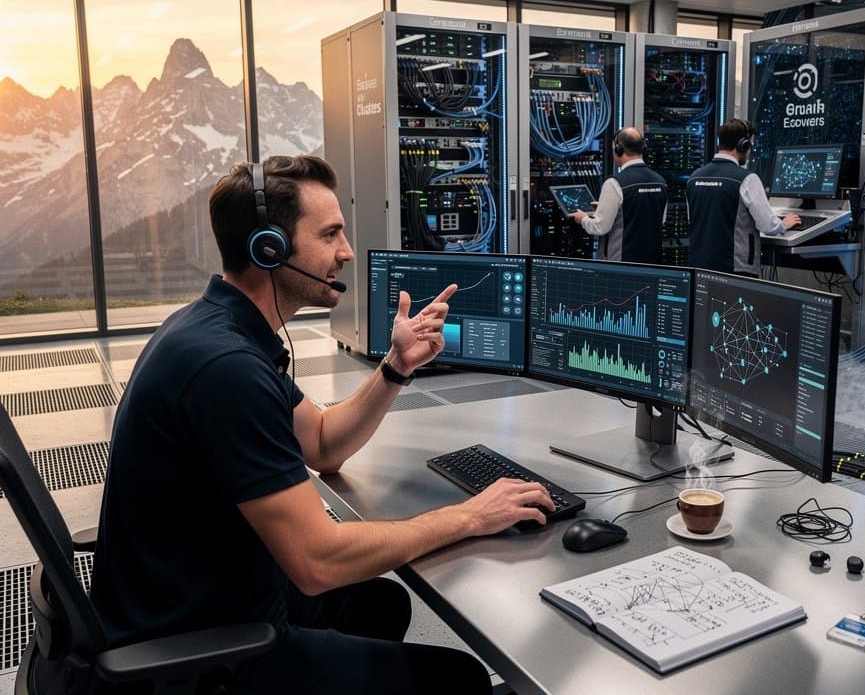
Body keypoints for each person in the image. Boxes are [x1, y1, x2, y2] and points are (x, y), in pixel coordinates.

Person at [90, 155, 554, 695]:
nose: (347, 251)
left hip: (204, 595)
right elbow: (317, 561)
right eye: (330, 233)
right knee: (463, 679)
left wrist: (397, 366)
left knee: (382, 603)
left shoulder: (214, 329)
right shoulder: (227, 370)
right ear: (270, 248)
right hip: (198, 651)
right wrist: (468, 516)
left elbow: (322, 444)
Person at [685, 118, 800, 276]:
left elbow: (694, 220)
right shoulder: (747, 179)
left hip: (698, 267)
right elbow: (768, 226)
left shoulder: (694, 178)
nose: (750, 151)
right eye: (750, 145)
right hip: (735, 270)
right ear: (743, 145)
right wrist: (783, 224)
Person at [571, 126, 668, 264]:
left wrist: (583, 219)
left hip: (622, 264)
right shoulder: (661, 182)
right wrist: (613, 208)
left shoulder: (614, 183)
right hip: (652, 262)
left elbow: (600, 227)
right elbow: (659, 219)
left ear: (618, 149)